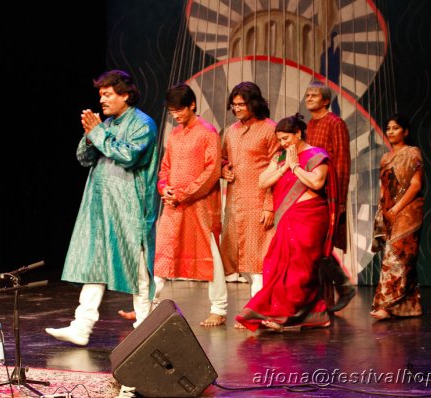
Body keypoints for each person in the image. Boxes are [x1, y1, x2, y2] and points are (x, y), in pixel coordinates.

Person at [45, 70, 159, 345]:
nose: (102, 100)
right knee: (96, 263)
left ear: (126, 95)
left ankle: (144, 328)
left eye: (108, 94)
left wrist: (98, 133)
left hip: (130, 208)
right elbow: (83, 158)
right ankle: (81, 326)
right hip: (100, 206)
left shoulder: (143, 124)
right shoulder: (106, 124)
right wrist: (89, 136)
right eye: (100, 95)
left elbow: (128, 156)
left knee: (137, 268)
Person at [235, 113, 339, 332]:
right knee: (277, 265)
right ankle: (314, 314)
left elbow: (317, 182)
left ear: (298, 133)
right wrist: (284, 166)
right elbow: (263, 181)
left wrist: (295, 167)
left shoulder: (317, 155)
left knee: (302, 268)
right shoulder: (281, 157)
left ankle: (286, 315)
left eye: (286, 139)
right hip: (287, 218)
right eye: (280, 139)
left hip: (310, 218)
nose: (282, 144)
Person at [153, 83, 226, 327]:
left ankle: (219, 308)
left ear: (192, 105)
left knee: (209, 253)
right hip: (173, 203)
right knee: (163, 249)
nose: (175, 115)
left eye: (179, 110)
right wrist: (165, 188)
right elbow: (165, 168)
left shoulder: (207, 133)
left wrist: (184, 193)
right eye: (172, 111)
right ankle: (148, 305)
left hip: (199, 205)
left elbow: (212, 171)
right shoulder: (174, 134)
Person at [220, 82, 279, 308]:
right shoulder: (231, 131)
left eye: (242, 104)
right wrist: (223, 169)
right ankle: (257, 308)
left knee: (258, 261)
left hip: (259, 202)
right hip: (235, 204)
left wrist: (269, 205)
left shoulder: (270, 129)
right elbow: (223, 159)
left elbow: (277, 170)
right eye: (234, 105)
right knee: (240, 259)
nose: (237, 109)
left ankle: (258, 310)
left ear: (254, 103)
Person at [304, 81, 355, 312]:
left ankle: (344, 285)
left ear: (326, 100)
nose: (309, 98)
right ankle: (322, 302)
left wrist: (341, 200)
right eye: (307, 95)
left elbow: (343, 162)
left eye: (314, 95)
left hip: (329, 193)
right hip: (310, 193)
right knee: (313, 246)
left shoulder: (335, 123)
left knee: (321, 245)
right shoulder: (308, 126)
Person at [370, 114, 423, 320]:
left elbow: (416, 185)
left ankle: (386, 305)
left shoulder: (412, 153)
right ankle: (409, 307)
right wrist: (383, 210)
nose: (390, 131)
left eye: (395, 128)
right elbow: (384, 188)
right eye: (388, 128)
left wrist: (397, 208)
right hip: (389, 211)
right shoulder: (385, 157)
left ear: (406, 132)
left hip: (409, 211)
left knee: (398, 257)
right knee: (402, 258)